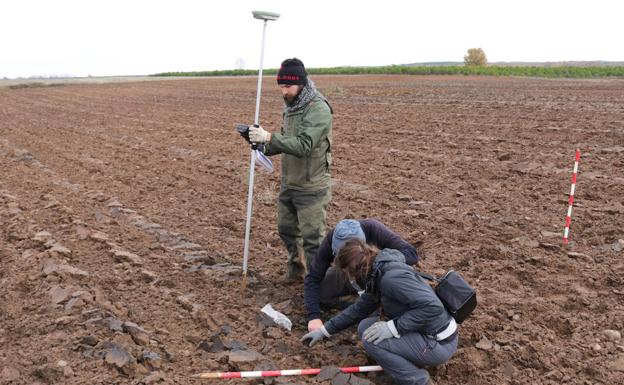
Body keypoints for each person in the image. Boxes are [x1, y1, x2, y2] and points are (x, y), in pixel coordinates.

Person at [301, 239, 458, 385]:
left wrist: (393, 327)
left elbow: (433, 307)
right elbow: (359, 309)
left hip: (438, 342)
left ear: (354, 270)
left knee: (371, 340)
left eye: (346, 274)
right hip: (427, 331)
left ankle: (419, 380)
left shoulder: (390, 279)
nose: (349, 279)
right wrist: (325, 330)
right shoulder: (377, 272)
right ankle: (399, 361)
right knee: (366, 327)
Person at [247, 58, 333, 282]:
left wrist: (269, 136)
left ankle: (319, 286)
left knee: (313, 239)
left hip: (311, 184)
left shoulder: (318, 108)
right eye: (281, 87)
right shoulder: (292, 106)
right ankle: (296, 273)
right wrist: (262, 145)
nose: (284, 92)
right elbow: (286, 141)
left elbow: (304, 145)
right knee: (286, 230)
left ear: (302, 83)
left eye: (288, 87)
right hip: (290, 182)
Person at [305, 219, 420, 332]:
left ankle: (376, 304)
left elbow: (411, 254)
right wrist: (314, 316)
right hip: (349, 275)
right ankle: (360, 303)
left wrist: (380, 263)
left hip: (379, 277)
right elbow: (313, 277)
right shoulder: (332, 239)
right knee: (321, 292)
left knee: (385, 302)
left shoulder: (373, 229)